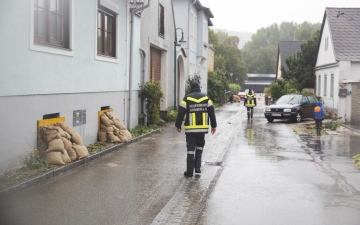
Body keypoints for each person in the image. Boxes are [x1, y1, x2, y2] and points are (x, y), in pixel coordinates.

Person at [175, 81, 217, 177]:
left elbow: (181, 112)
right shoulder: (206, 97)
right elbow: (212, 112)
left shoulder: (187, 98)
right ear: (199, 87)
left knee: (190, 150)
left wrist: (178, 125)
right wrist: (214, 126)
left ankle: (189, 172)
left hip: (190, 129)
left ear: (191, 88)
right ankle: (197, 168)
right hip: (202, 129)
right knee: (199, 147)